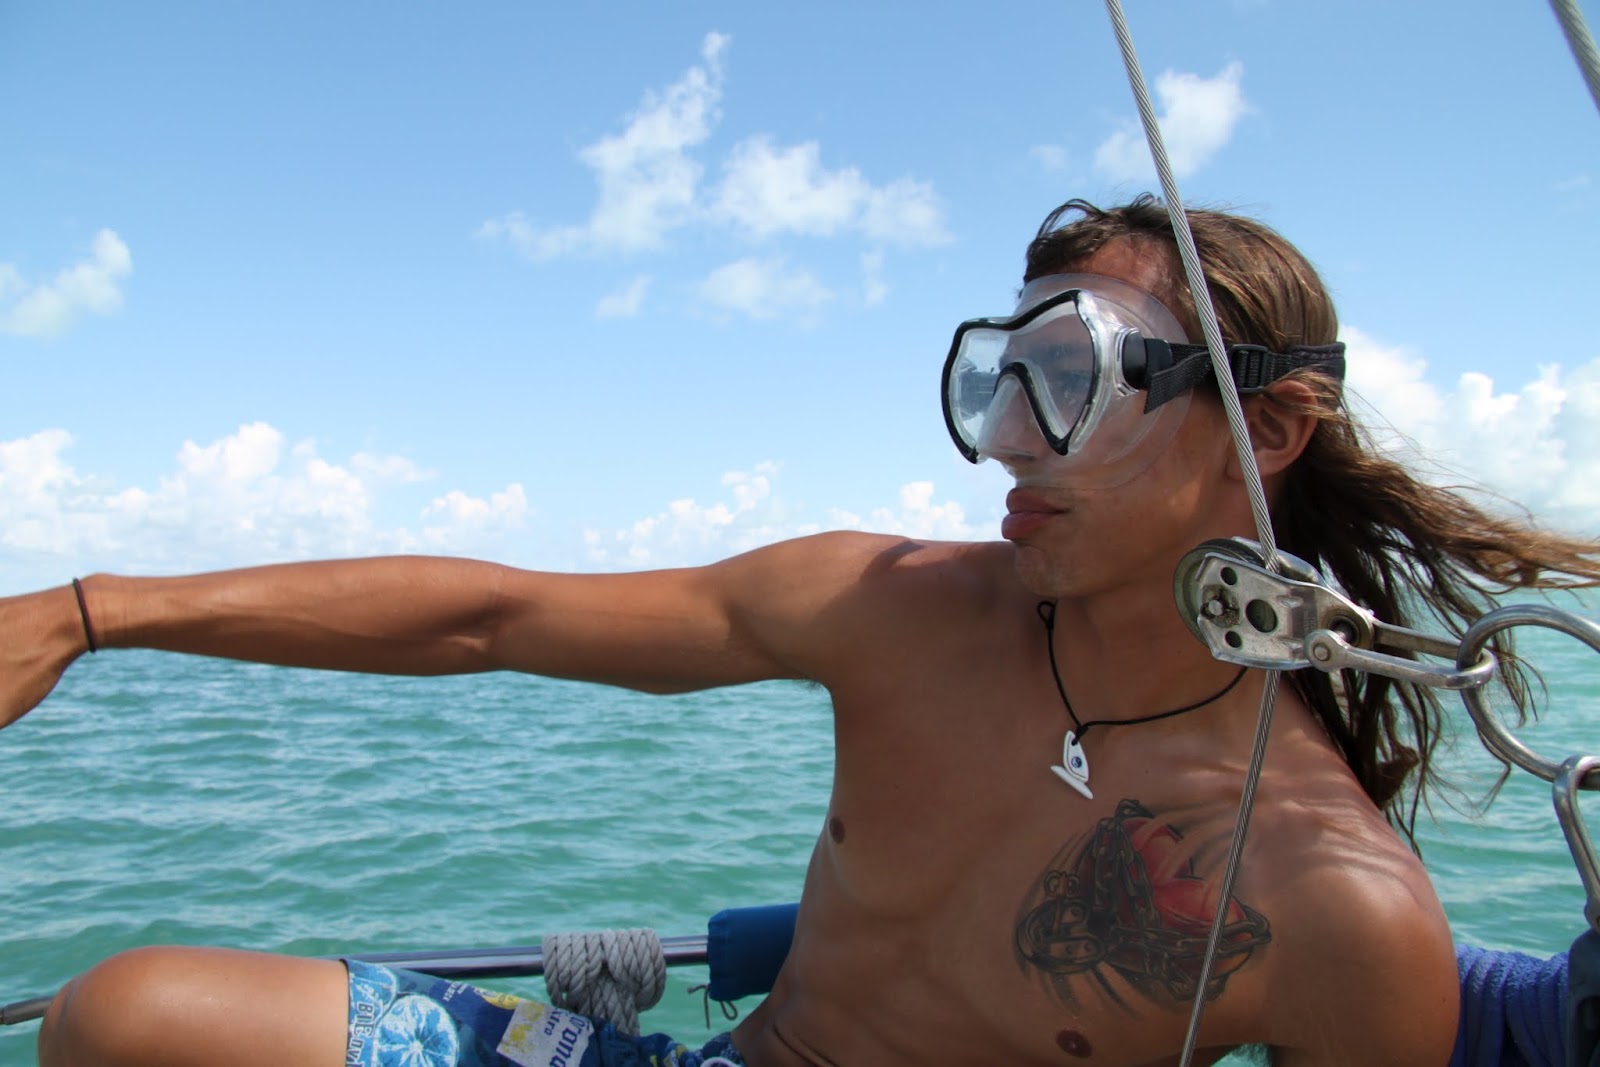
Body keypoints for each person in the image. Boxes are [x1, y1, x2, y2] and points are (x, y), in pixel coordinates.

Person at [6, 194, 1598, 1067]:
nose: (1010, 447)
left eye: (1077, 386)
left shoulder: (1335, 911)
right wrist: (88, 615)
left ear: (1274, 430)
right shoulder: (898, 610)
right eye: (1001, 384)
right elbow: (495, 619)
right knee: (121, 1017)